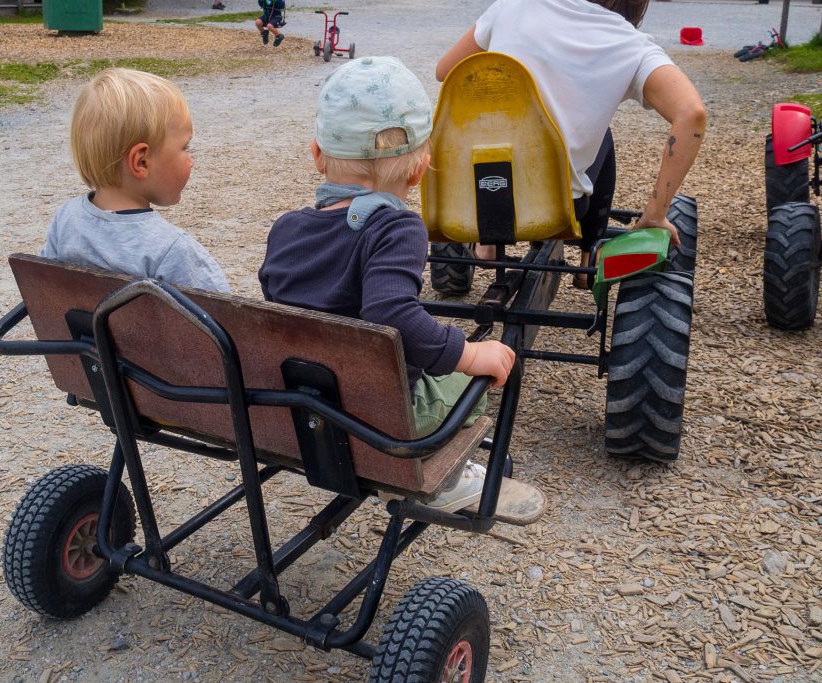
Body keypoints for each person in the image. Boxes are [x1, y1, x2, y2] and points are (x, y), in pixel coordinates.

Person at [258, 57, 516, 513]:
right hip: (383, 419)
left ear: (317, 155)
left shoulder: (286, 229)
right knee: (478, 375)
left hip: (299, 409)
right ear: (419, 172)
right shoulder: (397, 229)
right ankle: (444, 479)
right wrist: (471, 354)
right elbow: (390, 313)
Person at [436, 0, 707, 288]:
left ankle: (487, 243)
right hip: (555, 210)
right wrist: (655, 214)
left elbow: (444, 71)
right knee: (602, 136)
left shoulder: (512, 6)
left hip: (474, 197)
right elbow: (692, 114)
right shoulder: (631, 44)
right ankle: (587, 257)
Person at [40, 68, 230, 294]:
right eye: (185, 147)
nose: (192, 160)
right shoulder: (172, 251)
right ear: (141, 162)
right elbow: (224, 321)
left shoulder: (66, 220)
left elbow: (43, 292)